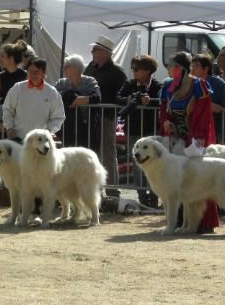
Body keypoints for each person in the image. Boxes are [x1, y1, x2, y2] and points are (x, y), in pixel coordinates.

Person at [160, 51, 218, 233]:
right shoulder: (168, 85)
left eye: (172, 66)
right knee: (173, 179)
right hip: (175, 139)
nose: (169, 69)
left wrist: (197, 138)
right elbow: (163, 111)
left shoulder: (199, 85)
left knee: (197, 179)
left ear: (182, 68)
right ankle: (176, 220)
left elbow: (203, 115)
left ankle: (200, 222)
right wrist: (165, 122)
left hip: (194, 140)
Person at [116, 54, 162, 207]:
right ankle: (142, 198)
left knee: (154, 164)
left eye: (137, 69)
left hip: (151, 130)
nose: (134, 71)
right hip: (134, 130)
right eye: (133, 68)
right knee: (137, 164)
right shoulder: (129, 84)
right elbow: (118, 98)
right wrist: (131, 99)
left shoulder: (156, 85)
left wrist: (151, 101)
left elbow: (162, 102)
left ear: (148, 70)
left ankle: (154, 198)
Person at [84, 35, 127, 194]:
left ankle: (112, 190)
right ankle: (93, 190)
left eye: (95, 49)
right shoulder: (90, 67)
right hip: (88, 118)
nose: (92, 51)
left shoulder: (117, 72)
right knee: (91, 152)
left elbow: (122, 96)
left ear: (104, 52)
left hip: (106, 117)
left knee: (108, 153)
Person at [2, 57, 66, 141]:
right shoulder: (17, 88)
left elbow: (58, 117)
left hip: (41, 142)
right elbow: (7, 109)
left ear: (44, 73)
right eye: (30, 71)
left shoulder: (52, 92)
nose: (33, 75)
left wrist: (49, 131)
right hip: (18, 139)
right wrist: (9, 128)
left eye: (36, 72)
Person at [54, 54, 101, 147]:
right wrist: (77, 99)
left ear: (76, 68)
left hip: (86, 127)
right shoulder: (61, 83)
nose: (63, 69)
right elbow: (53, 97)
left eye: (66, 67)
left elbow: (96, 98)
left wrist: (72, 101)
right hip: (67, 127)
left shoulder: (90, 81)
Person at [191, 53, 225, 144]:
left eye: (196, 66)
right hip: (195, 130)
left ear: (206, 69)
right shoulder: (190, 83)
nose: (193, 69)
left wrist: (224, 135)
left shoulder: (219, 84)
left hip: (216, 130)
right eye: (192, 66)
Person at [0, 41, 28, 137]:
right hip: (3, 122)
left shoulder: (25, 76)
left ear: (11, 59)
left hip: (21, 124)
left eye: (2, 56)